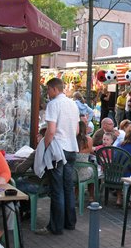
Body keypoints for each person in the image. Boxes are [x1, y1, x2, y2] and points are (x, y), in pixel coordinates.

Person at [36, 77, 79, 235]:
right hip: (71, 148)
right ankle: (70, 223)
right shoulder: (73, 104)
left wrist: (45, 146)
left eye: (48, 89)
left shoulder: (53, 104)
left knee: (57, 189)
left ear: (54, 89)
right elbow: (77, 131)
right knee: (68, 187)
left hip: (58, 150)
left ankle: (55, 227)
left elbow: (51, 130)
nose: (47, 93)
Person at [75, 121, 95, 202]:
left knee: (78, 168)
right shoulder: (89, 140)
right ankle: (91, 196)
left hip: (71, 173)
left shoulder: (72, 139)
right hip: (83, 173)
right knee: (93, 170)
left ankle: (76, 193)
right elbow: (90, 151)